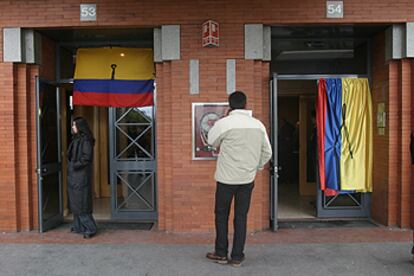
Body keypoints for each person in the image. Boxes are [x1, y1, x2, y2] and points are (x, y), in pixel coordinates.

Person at [205, 91, 272, 267]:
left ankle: (221, 253)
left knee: (221, 215)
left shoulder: (224, 123)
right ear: (246, 104)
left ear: (230, 105)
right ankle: (237, 256)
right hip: (247, 179)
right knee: (241, 217)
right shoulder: (258, 125)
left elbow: (211, 141)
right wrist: (256, 166)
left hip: (226, 179)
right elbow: (268, 152)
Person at [67, 117, 97, 239]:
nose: (73, 127)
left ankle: (90, 228)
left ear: (80, 127)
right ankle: (79, 226)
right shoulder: (77, 139)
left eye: (74, 125)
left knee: (81, 202)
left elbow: (86, 158)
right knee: (75, 201)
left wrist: (74, 165)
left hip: (80, 176)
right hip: (74, 175)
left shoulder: (85, 141)